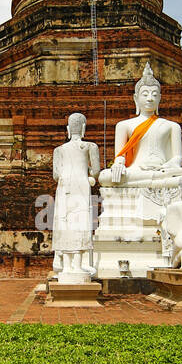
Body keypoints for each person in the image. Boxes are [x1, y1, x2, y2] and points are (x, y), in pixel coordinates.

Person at [52, 113, 100, 279]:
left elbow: (56, 175)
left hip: (65, 185)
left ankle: (66, 266)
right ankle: (77, 265)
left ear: (68, 130)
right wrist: (91, 177)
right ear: (84, 128)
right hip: (81, 184)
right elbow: (96, 171)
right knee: (80, 221)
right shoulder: (90, 147)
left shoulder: (59, 150)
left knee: (64, 221)